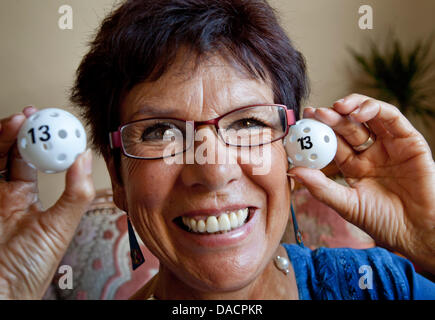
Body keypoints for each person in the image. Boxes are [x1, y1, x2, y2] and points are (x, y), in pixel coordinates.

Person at [0, 0, 434, 300]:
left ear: (291, 155)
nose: (213, 171)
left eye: (247, 122)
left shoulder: (381, 283)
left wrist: (429, 241)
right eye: (160, 132)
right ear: (117, 178)